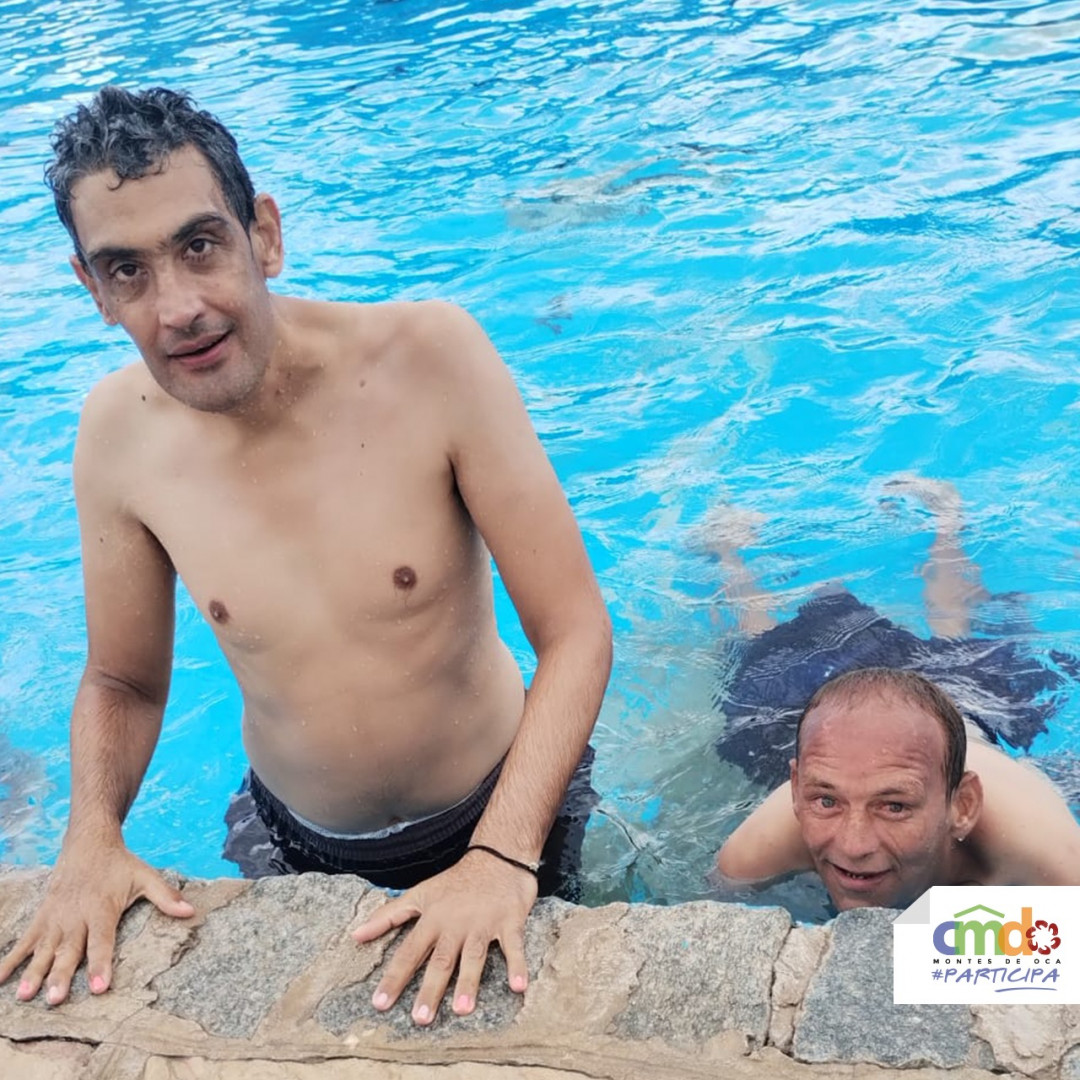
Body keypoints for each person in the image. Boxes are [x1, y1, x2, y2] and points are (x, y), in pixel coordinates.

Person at [0, 86, 612, 1023]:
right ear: (93, 290)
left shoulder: (430, 359)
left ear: (266, 236)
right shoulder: (117, 438)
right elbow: (123, 681)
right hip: (296, 841)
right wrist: (90, 841)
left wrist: (501, 855)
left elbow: (573, 631)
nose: (179, 308)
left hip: (504, 806)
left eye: (200, 246)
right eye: (128, 271)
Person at [709, 479, 1080, 908]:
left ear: (963, 807)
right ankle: (728, 548)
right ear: (795, 791)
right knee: (761, 650)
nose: (854, 847)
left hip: (966, 710)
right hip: (875, 721)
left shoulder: (1044, 853)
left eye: (895, 807)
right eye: (826, 800)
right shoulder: (759, 847)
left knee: (954, 640)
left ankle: (948, 523)